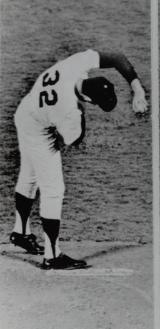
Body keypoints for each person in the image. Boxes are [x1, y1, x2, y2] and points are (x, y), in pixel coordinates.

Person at [10, 49, 148, 269]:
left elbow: (116, 57)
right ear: (88, 100)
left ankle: (20, 233)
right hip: (37, 127)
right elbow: (73, 141)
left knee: (29, 174)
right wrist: (80, 115)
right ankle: (52, 256)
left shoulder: (75, 64)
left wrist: (137, 88)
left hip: (26, 111)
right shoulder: (70, 110)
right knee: (53, 189)